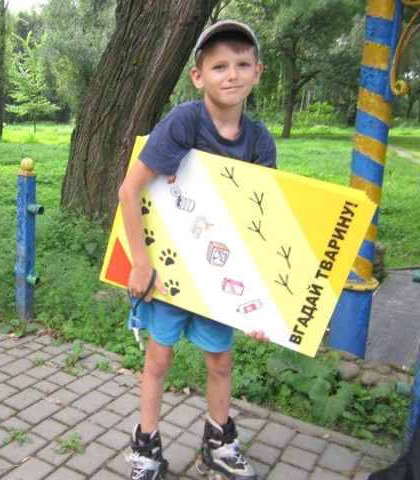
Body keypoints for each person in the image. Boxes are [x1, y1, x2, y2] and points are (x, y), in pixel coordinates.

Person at [117, 19, 276, 480]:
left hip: (220, 276)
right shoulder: (184, 122)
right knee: (157, 360)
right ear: (198, 76)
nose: (232, 74)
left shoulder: (260, 141)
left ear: (257, 72)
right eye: (219, 66)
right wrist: (140, 264)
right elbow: (129, 191)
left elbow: (261, 228)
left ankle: (219, 442)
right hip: (169, 271)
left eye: (242, 64)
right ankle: (146, 447)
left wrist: (263, 307)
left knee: (220, 362)